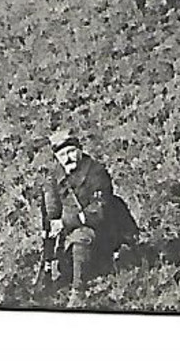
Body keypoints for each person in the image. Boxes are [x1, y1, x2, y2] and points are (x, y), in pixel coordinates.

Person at [43, 128, 138, 298]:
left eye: (71, 152)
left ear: (79, 150)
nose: (68, 158)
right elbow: (52, 211)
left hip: (103, 232)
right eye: (62, 155)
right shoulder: (55, 177)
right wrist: (52, 227)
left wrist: (65, 221)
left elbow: (98, 211)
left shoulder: (95, 172)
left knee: (81, 236)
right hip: (71, 233)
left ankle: (78, 292)